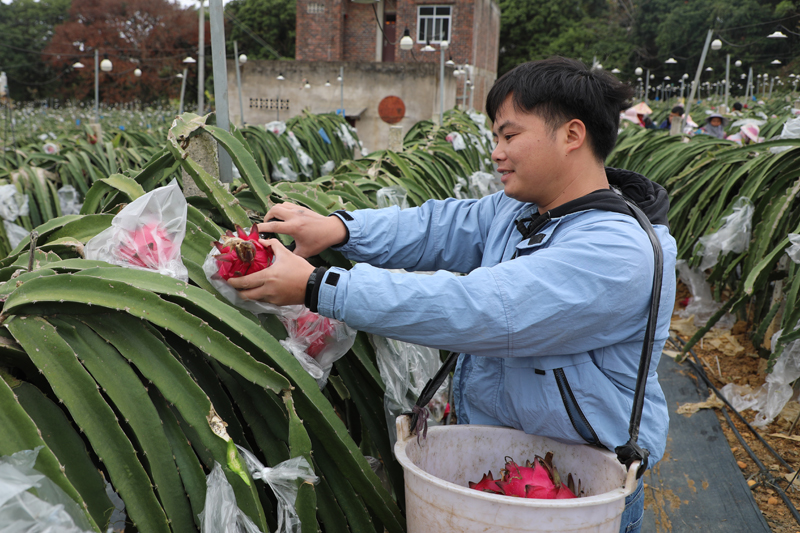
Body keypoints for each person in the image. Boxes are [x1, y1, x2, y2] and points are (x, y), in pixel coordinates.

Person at [228, 57, 677, 533]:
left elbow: (485, 309)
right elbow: (435, 226)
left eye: (509, 135)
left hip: (577, 494)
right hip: (500, 469)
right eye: (494, 139)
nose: (497, 153)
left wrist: (318, 287)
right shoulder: (521, 209)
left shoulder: (618, 251)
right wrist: (337, 227)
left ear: (571, 135)